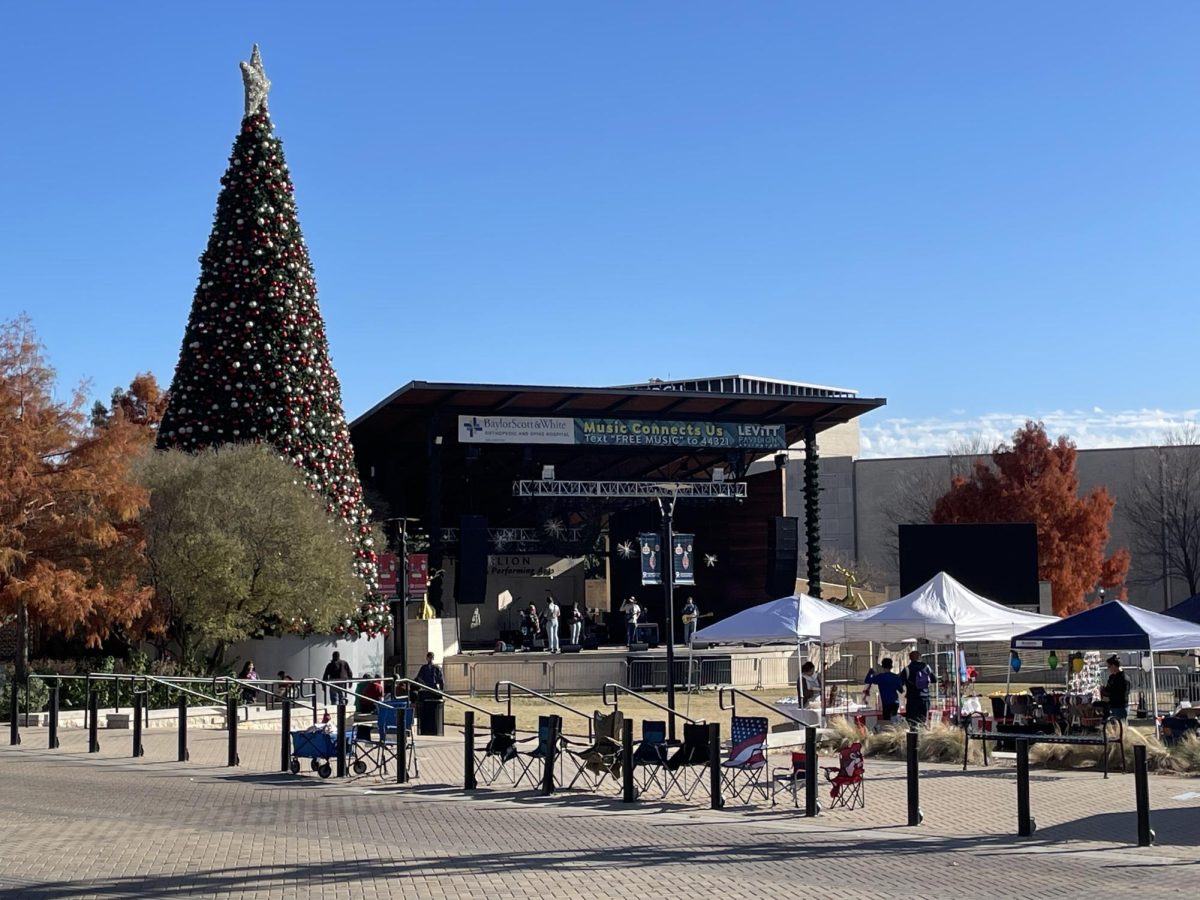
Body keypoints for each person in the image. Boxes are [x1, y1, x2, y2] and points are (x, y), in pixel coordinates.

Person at [865, 658, 904, 722]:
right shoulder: (896, 677)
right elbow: (901, 691)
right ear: (891, 666)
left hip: (886, 702)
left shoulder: (880, 677)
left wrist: (871, 672)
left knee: (887, 721)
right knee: (894, 720)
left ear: (882, 666)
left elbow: (867, 680)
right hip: (895, 702)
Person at [901, 650, 932, 727]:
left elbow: (900, 682)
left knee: (912, 721)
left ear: (910, 658)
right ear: (920, 657)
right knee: (923, 720)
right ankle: (922, 735)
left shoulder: (907, 669)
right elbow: (934, 679)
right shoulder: (926, 667)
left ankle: (913, 737)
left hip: (912, 698)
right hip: (925, 698)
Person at [1100, 655, 1129, 721]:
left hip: (1120, 707)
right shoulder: (1112, 677)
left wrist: (1110, 698)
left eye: (1109, 666)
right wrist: (1102, 689)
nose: (1108, 668)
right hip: (1112, 706)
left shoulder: (1123, 678)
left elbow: (1122, 694)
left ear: (1113, 666)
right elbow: (1108, 689)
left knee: (1119, 727)